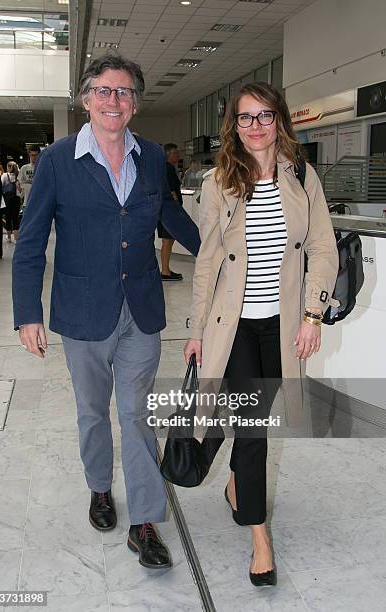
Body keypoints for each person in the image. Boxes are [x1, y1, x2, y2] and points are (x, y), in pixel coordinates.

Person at [12, 54, 200, 570]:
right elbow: (30, 244)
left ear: (135, 103)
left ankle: (144, 524)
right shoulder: (56, 160)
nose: (113, 101)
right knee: (93, 412)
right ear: (85, 100)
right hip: (83, 311)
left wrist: (221, 255)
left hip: (140, 309)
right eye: (103, 91)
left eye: (123, 92)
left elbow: (172, 216)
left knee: (135, 414)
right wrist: (27, 311)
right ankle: (99, 488)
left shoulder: (153, 159)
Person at [184, 82, 338, 587]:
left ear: (280, 121)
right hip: (234, 331)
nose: (255, 126)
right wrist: (197, 329)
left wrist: (312, 317)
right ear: (234, 126)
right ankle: (259, 537)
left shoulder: (303, 177)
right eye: (245, 118)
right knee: (253, 432)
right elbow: (206, 262)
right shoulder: (218, 182)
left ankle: (235, 486)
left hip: (283, 325)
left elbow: (322, 249)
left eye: (264, 116)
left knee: (255, 423)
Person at [157, 143, 184, 281]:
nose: (178, 156)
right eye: (176, 153)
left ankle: (165, 269)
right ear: (169, 154)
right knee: (168, 242)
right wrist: (176, 211)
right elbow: (172, 192)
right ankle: (165, 271)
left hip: (164, 211)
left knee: (167, 242)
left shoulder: (164, 168)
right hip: (169, 212)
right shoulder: (168, 169)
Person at [2, 161, 21, 243]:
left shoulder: (5, 175)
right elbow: (20, 189)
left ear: (8, 167)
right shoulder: (18, 175)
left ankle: (9, 236)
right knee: (15, 218)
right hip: (16, 199)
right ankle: (16, 237)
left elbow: (1, 185)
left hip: (7, 199)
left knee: (8, 217)